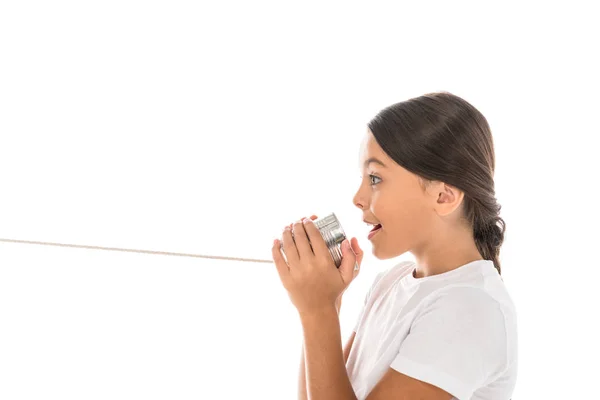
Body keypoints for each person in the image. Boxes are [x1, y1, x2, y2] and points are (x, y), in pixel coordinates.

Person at [271, 91, 518, 400]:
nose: (358, 198)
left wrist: (317, 311)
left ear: (444, 196)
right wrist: (327, 305)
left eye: (375, 178)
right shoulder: (391, 282)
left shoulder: (471, 308)